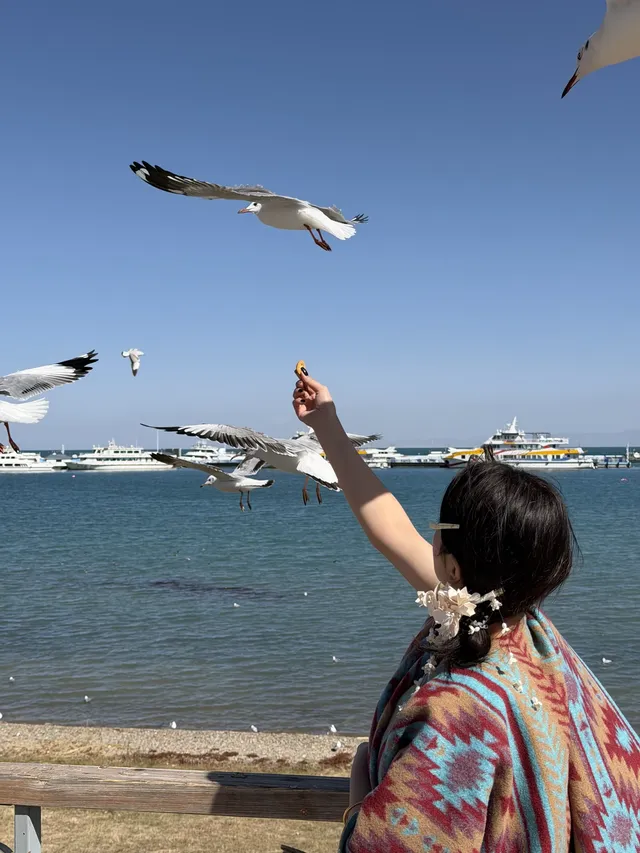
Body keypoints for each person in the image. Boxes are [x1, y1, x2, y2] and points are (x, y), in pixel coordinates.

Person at [291, 371, 640, 853]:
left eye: (437, 526)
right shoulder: (525, 632)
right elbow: (387, 526)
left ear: (453, 566)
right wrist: (327, 425)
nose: (425, 535)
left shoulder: (456, 712)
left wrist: (358, 789)